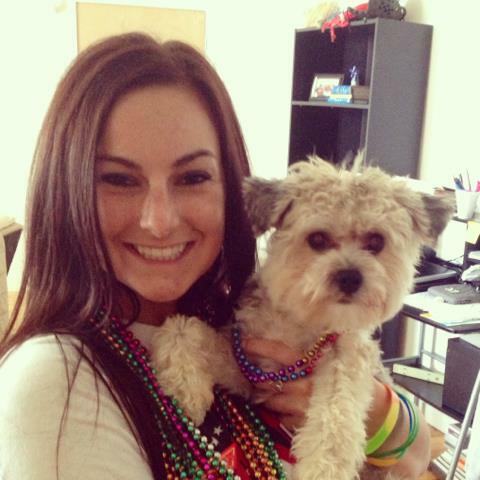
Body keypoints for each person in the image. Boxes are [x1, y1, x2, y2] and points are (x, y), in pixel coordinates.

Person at [0, 32, 430, 479]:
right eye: (119, 180)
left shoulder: (222, 311)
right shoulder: (56, 386)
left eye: (192, 177)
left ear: (231, 186)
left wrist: (382, 413)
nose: (160, 221)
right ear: (64, 190)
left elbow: (417, 455)